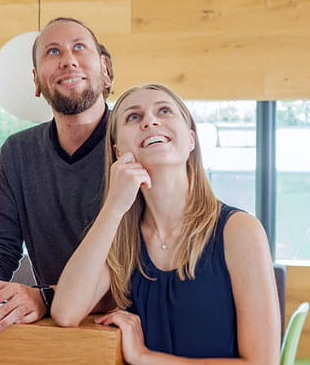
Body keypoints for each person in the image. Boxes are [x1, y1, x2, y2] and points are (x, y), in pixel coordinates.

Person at [52, 84, 279, 363]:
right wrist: (113, 207)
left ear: (191, 139)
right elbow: (66, 313)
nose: (150, 121)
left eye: (164, 111)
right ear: (118, 151)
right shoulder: (122, 239)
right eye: (133, 117)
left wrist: (144, 357)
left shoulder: (240, 231)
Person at [0, 17, 114, 330]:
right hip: (55, 333)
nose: (68, 60)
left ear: (105, 70)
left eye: (79, 47)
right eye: (53, 52)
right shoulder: (18, 153)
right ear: (36, 82)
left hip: (136, 330)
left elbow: (149, 268)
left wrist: (47, 297)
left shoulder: (136, 143)